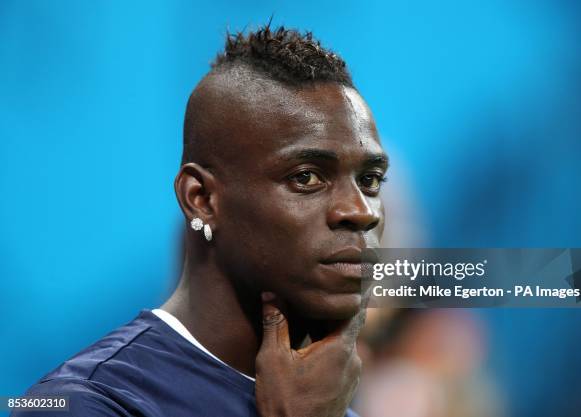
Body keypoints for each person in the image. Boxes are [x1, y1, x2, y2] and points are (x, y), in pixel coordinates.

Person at [13, 24, 388, 417]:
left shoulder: (329, 408)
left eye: (370, 180)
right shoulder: (81, 403)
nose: (360, 210)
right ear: (201, 199)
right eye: (306, 177)